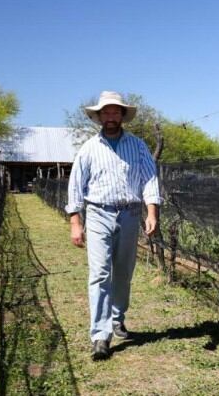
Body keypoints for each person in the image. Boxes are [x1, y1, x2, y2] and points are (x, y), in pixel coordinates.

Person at [65, 91, 161, 361]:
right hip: (98, 214)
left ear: (122, 116)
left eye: (115, 112)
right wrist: (76, 221)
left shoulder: (138, 146)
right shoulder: (89, 148)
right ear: (98, 117)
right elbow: (76, 186)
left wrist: (151, 211)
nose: (110, 117)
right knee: (99, 273)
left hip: (130, 214)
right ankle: (100, 335)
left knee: (123, 271)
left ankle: (117, 319)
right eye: (105, 112)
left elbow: (149, 178)